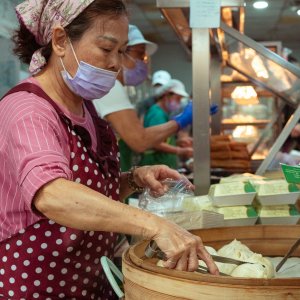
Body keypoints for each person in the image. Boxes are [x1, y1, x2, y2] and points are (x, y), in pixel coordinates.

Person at [0, 0, 218, 299]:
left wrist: (134, 179)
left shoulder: (84, 108)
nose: (117, 64)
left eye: (122, 51)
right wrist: (154, 225)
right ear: (61, 40)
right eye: (106, 49)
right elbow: (52, 195)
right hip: (38, 286)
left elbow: (88, 191)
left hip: (88, 282)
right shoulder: (28, 110)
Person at [93, 25, 194, 171]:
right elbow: (140, 140)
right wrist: (181, 120)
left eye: (145, 57)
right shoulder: (110, 87)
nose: (143, 62)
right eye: (140, 55)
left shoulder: (118, 88)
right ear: (120, 52)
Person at [139, 79, 194, 169]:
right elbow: (154, 142)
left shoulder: (163, 114)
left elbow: (162, 140)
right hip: (155, 163)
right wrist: (180, 151)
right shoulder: (157, 114)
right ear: (166, 96)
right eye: (178, 98)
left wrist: (177, 142)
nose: (179, 102)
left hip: (162, 164)